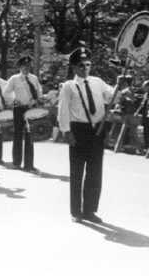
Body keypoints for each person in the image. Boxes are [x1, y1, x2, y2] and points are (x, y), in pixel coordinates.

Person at [57, 47, 115, 223]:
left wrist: (121, 86)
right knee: (77, 172)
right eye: (81, 65)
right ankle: (76, 211)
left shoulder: (97, 81)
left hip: (96, 131)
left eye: (88, 64)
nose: (85, 68)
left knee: (94, 172)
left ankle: (90, 210)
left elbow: (111, 97)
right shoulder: (69, 86)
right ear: (74, 67)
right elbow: (63, 111)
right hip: (78, 130)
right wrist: (66, 131)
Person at [4, 55, 42, 172]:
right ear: (20, 67)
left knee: (30, 135)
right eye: (24, 66)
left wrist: (35, 100)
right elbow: (6, 92)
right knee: (18, 134)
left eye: (28, 66)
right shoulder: (14, 78)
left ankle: (29, 164)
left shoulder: (34, 78)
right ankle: (16, 162)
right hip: (19, 109)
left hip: (30, 109)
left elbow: (39, 91)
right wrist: (14, 100)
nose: (26, 68)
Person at [139, 80, 149, 155]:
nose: (143, 87)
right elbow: (142, 104)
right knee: (145, 132)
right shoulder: (146, 94)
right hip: (145, 116)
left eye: (144, 86)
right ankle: (146, 147)